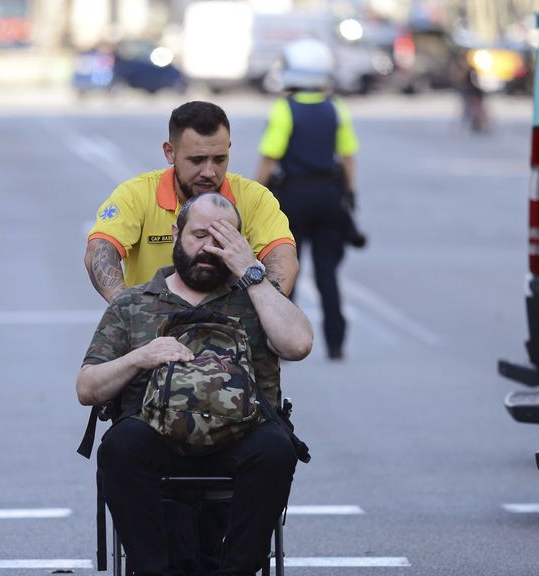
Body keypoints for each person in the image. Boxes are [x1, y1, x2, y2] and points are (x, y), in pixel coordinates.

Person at [77, 192, 313, 576]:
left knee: (276, 449)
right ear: (176, 234)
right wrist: (141, 356)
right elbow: (87, 388)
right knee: (119, 447)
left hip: (241, 432)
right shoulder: (133, 304)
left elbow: (299, 344)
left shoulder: (255, 297)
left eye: (223, 239)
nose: (209, 248)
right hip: (157, 432)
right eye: (200, 235)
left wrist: (251, 272)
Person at [85, 100, 299, 303]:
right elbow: (100, 251)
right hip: (153, 334)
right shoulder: (135, 195)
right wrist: (131, 313)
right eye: (197, 160)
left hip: (229, 332)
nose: (209, 172)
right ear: (170, 152)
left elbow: (283, 260)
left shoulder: (254, 198)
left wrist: (259, 313)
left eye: (219, 159)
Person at [255, 38, 360, 361]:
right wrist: (350, 193)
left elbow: (270, 157)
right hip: (329, 196)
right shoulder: (335, 107)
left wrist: (255, 196)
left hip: (294, 197)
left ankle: (286, 339)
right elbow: (347, 156)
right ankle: (336, 342)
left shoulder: (285, 109)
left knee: (288, 268)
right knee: (328, 273)